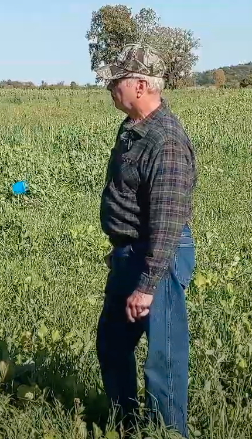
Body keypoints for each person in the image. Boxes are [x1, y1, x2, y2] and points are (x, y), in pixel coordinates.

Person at [94, 44, 197, 437]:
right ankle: (128, 425)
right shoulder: (133, 129)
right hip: (129, 252)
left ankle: (170, 432)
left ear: (139, 85)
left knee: (163, 359)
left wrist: (148, 283)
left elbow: (168, 220)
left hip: (157, 254)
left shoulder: (165, 141)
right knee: (112, 345)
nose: (109, 88)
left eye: (115, 81)